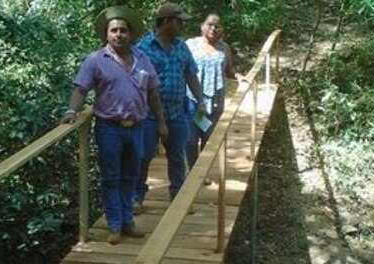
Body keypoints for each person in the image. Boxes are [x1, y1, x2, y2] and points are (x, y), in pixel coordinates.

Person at [61, 6, 167, 245]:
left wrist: (161, 122)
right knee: (111, 177)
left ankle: (128, 220)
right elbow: (80, 89)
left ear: (131, 34)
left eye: (123, 30)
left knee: (131, 175)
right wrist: (71, 110)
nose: (119, 34)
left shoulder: (142, 58)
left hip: (138, 126)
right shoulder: (96, 60)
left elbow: (153, 93)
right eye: (114, 31)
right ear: (106, 35)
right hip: (109, 128)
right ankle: (115, 224)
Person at [135, 3, 206, 214]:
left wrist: (200, 100)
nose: (183, 26)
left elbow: (191, 74)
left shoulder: (181, 46)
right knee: (143, 156)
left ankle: (178, 198)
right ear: (166, 22)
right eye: (179, 21)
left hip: (177, 112)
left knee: (177, 156)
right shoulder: (143, 47)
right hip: (148, 115)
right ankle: (136, 197)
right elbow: (139, 83)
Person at [185, 12, 249, 172]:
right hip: (192, 100)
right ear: (202, 26)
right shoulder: (190, 44)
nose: (213, 28)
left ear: (221, 29)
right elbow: (181, 68)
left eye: (217, 25)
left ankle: (202, 173)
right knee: (190, 141)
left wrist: (238, 76)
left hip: (215, 102)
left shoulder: (224, 48)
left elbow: (229, 69)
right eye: (210, 24)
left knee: (208, 140)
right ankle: (191, 172)